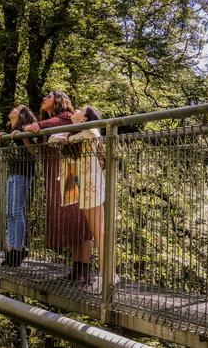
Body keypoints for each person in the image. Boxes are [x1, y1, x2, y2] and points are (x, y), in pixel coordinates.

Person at [22, 90, 92, 284]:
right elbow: (37, 151)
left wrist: (32, 126)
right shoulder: (49, 123)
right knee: (70, 222)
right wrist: (27, 135)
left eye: (49, 96)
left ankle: (84, 272)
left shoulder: (65, 118)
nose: (44, 99)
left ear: (60, 100)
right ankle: (76, 268)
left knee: (80, 221)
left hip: (71, 172)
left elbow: (51, 124)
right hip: (56, 175)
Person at [66, 106, 119, 290]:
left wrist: (67, 138)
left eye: (81, 109)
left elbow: (89, 136)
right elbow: (52, 139)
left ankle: (108, 277)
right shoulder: (80, 131)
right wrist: (66, 137)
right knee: (97, 232)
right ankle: (109, 275)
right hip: (86, 186)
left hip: (93, 185)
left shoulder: (90, 129)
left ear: (85, 118)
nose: (77, 109)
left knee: (100, 232)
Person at [0, 105, 38, 267]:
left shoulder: (24, 130)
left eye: (16, 108)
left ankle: (18, 249)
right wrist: (4, 136)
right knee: (9, 212)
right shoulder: (11, 130)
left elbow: (34, 151)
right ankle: (11, 248)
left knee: (16, 210)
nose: (12, 109)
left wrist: (23, 136)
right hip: (13, 172)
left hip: (24, 172)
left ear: (21, 114)